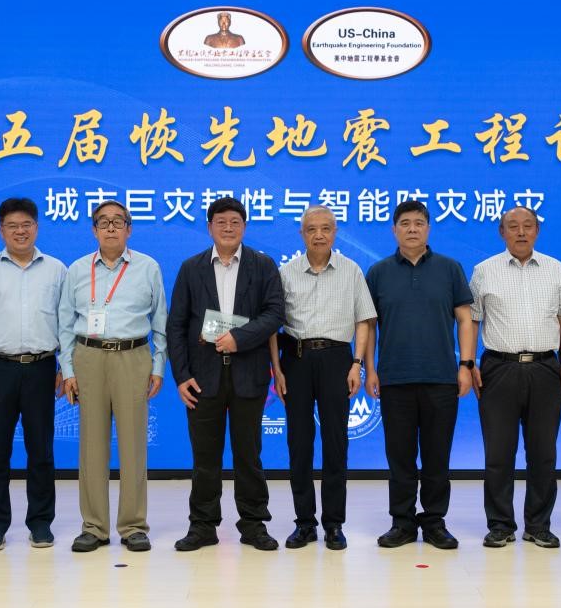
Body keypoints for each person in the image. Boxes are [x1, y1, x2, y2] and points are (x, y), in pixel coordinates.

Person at [167, 196, 284, 552]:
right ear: (209, 227)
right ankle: (202, 525)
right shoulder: (192, 268)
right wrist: (181, 375)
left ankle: (253, 524)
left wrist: (238, 338)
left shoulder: (263, 266)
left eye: (235, 222)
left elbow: (275, 314)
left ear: (244, 227)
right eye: (221, 222)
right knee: (205, 457)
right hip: (202, 378)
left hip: (249, 375)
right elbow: (176, 325)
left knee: (249, 455)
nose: (228, 228)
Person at [365, 200, 476, 550]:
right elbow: (369, 325)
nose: (412, 229)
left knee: (436, 456)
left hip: (441, 377)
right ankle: (402, 522)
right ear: (394, 230)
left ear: (428, 229)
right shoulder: (379, 272)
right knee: (399, 457)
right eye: (405, 223)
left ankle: (434, 522)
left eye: (418, 223)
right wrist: (370, 368)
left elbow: (465, 320)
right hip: (394, 378)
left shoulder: (450, 268)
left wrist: (466, 365)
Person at [58, 200, 167, 553]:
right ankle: (94, 526)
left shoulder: (148, 267)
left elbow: (160, 323)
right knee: (91, 447)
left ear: (129, 229)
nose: (110, 228)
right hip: (88, 357)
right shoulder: (77, 269)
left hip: (132, 357)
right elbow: (64, 325)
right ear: (93, 230)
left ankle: (133, 525)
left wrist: (158, 366)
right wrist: (68, 370)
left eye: (118, 222)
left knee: (133, 445)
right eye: (103, 222)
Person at [0, 197, 67, 552]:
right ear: (1, 230)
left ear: (36, 227)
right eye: (12, 226)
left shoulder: (56, 270)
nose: (20, 232)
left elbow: (67, 323)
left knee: (42, 451)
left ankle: (41, 523)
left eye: (26, 225)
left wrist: (65, 368)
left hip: (41, 367)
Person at [470, 207, 561, 549]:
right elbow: (472, 319)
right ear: (501, 232)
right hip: (499, 368)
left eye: (528, 226)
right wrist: (468, 363)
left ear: (537, 231)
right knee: (498, 453)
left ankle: (538, 525)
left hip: (546, 367)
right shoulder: (484, 270)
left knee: (543, 453)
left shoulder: (555, 268)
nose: (521, 232)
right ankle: (500, 524)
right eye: (513, 226)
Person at [269, 205, 376, 550]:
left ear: (335, 232)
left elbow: (364, 319)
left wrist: (356, 364)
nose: (319, 235)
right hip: (296, 359)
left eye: (326, 228)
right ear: (301, 234)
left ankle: (333, 524)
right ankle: (304, 523)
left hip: (336, 359)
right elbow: (272, 325)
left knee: (335, 443)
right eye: (311, 229)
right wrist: (277, 369)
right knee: (299, 444)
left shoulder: (351, 270)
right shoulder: (285, 273)